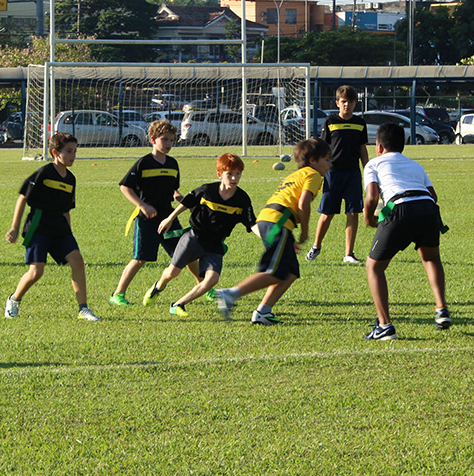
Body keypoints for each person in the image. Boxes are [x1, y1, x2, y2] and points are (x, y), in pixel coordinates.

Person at [216, 138, 332, 325]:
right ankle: (231, 294)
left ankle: (263, 311)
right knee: (276, 271)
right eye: (327, 159)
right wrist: (304, 231)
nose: (330, 164)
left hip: (272, 222)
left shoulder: (297, 174)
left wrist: (287, 239)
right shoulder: (313, 174)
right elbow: (303, 203)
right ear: (313, 161)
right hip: (277, 223)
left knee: (291, 271)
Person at [361, 123, 450, 340]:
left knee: (374, 267)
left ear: (378, 146)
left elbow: (372, 197)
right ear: (403, 146)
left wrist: (369, 219)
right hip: (428, 208)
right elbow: (432, 195)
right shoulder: (415, 165)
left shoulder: (373, 164)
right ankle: (441, 308)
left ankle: (384, 326)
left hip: (400, 209)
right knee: (430, 258)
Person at [143, 153, 255, 317]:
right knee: (172, 273)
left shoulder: (242, 199)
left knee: (212, 280)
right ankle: (158, 286)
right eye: (229, 174)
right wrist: (169, 218)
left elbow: (252, 223)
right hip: (194, 237)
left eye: (237, 174)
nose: (234, 178)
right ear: (219, 174)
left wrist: (266, 237)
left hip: (215, 244)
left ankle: (178, 304)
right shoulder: (207, 190)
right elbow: (187, 202)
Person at [3, 132, 99, 321]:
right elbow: (23, 197)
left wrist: (69, 233)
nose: (73, 156)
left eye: (75, 152)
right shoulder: (44, 173)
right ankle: (14, 300)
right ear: (56, 152)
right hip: (39, 225)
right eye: (69, 151)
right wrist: (14, 227)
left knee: (78, 262)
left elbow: (66, 210)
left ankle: (83, 309)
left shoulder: (70, 179)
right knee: (36, 271)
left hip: (60, 227)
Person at [111, 119, 199, 306]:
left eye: (171, 140)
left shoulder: (173, 164)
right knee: (140, 258)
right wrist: (142, 205)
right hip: (147, 220)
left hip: (168, 218)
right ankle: (118, 294)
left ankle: (205, 288)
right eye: (164, 139)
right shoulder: (144, 163)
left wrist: (188, 204)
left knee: (186, 254)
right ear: (153, 139)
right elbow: (125, 187)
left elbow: (174, 191)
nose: (168, 144)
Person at [306, 85, 369, 264]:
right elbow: (323, 148)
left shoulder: (360, 123)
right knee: (327, 213)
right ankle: (316, 246)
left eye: (350, 102)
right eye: (343, 102)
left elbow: (362, 149)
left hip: (353, 174)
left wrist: (368, 171)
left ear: (355, 103)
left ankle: (349, 253)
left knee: (353, 212)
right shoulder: (330, 121)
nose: (346, 105)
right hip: (332, 174)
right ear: (337, 103)